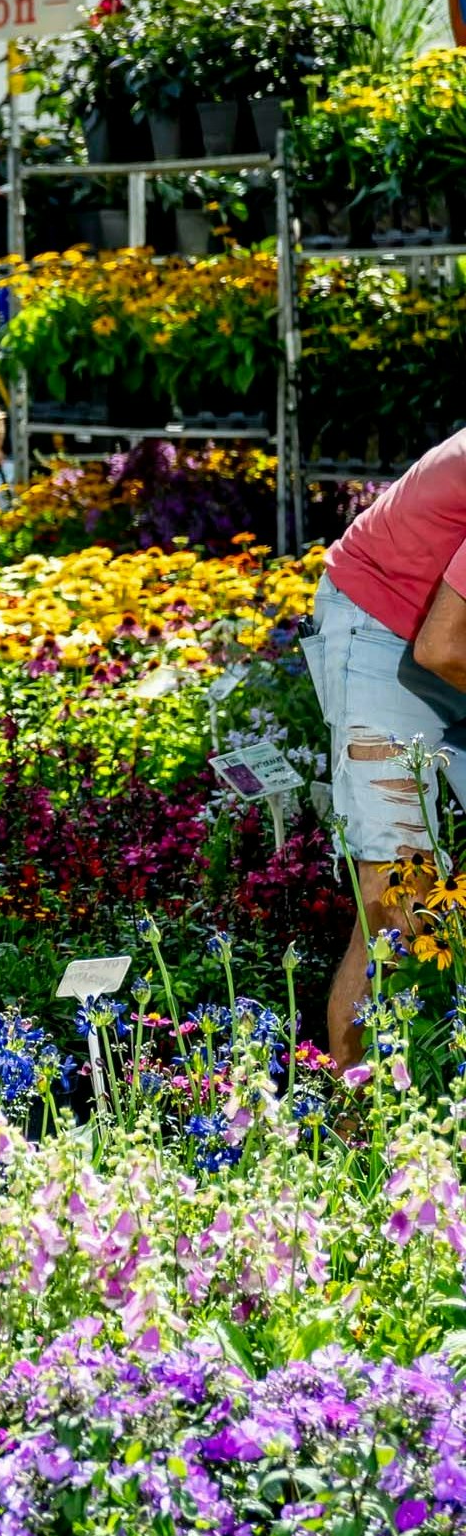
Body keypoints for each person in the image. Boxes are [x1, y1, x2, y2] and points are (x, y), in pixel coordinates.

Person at [310, 422, 466, 1062]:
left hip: (450, 637)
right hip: (387, 632)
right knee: (402, 904)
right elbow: (442, 646)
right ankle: (358, 1137)